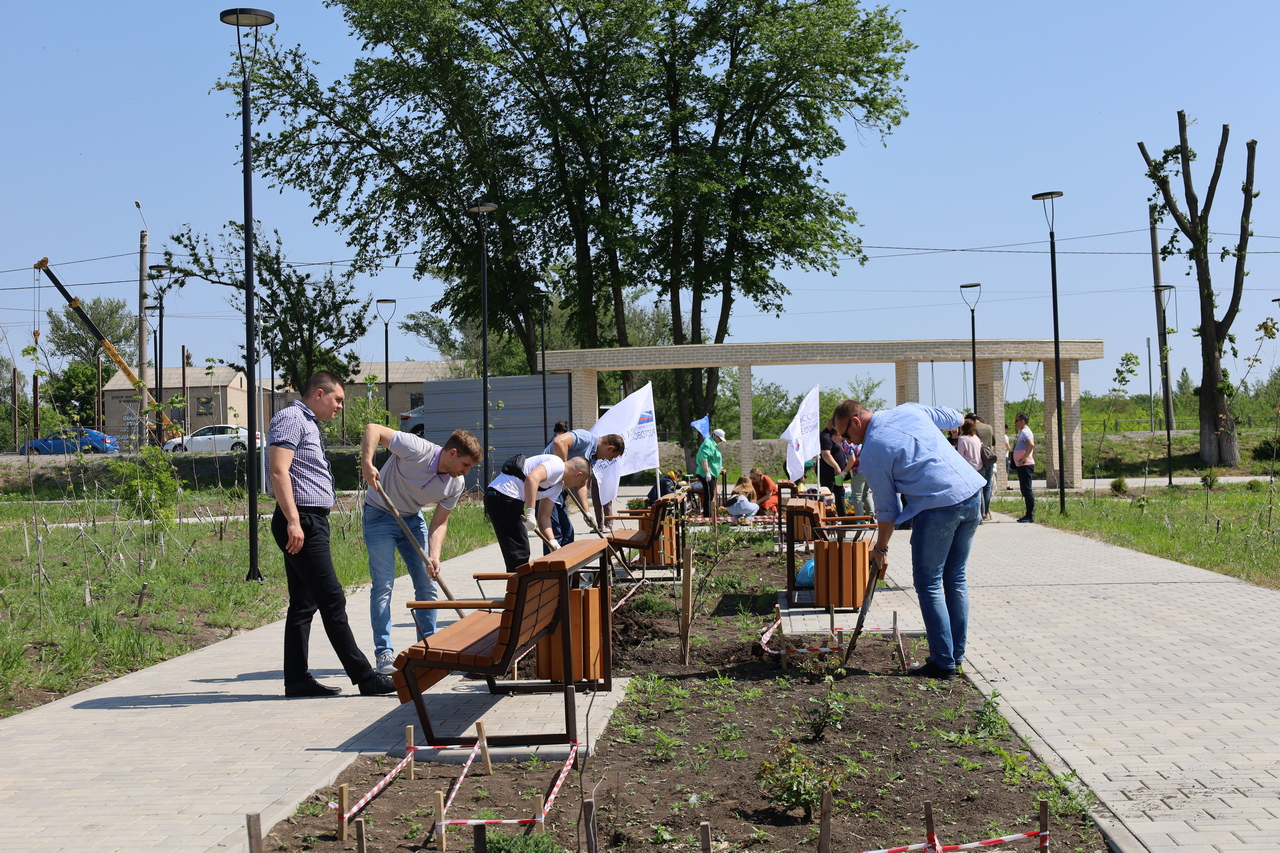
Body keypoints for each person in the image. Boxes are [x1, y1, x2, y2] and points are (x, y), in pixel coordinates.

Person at [832, 399, 986, 680]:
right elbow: (956, 417)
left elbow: (888, 510)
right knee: (955, 578)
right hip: (972, 495)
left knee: (928, 582)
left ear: (856, 421)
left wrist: (880, 548)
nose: (845, 440)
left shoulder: (873, 450)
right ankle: (956, 657)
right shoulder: (908, 410)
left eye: (845, 434)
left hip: (938, 506)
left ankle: (943, 663)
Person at [267, 371, 395, 697]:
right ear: (319, 394)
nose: (340, 406)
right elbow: (279, 470)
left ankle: (296, 680)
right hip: (302, 522)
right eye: (338, 399)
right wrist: (294, 521)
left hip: (310, 520)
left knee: (304, 603)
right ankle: (365, 677)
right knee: (333, 598)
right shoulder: (291, 418)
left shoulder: (308, 422)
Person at [360, 424, 482, 675]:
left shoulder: (454, 485)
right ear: (452, 453)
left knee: (428, 583)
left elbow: (439, 521)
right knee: (383, 584)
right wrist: (367, 463)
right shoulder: (417, 448)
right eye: (465, 464)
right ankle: (384, 653)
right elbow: (373, 429)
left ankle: (430, 648)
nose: (466, 472)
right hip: (380, 513)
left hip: (412, 520)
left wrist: (434, 555)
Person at [485, 454, 592, 570]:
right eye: (582, 482)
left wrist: (552, 541)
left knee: (519, 551)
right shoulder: (557, 465)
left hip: (510, 499)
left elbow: (544, 517)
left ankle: (518, 585)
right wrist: (530, 512)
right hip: (502, 495)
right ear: (577, 475)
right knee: (519, 551)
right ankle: (517, 586)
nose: (579, 485)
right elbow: (532, 478)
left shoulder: (557, 486)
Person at [541, 428, 626, 548]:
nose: (609, 459)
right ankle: (551, 565)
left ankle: (566, 565)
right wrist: (563, 471)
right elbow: (559, 442)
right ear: (609, 448)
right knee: (555, 534)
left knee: (568, 534)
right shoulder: (585, 438)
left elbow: (581, 484)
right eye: (612, 456)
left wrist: (587, 512)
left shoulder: (592, 459)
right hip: (546, 486)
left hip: (558, 489)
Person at [966, 413, 997, 521]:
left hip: (978, 462)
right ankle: (985, 513)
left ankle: (979, 511)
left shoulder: (972, 429)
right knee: (987, 487)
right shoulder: (989, 427)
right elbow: (993, 442)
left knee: (979, 488)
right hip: (988, 460)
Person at [818, 420, 850, 517]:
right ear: (831, 425)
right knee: (828, 496)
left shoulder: (833, 436)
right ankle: (828, 518)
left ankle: (842, 517)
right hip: (829, 473)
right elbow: (825, 454)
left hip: (836, 474)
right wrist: (836, 466)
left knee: (840, 494)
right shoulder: (826, 437)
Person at [695, 428, 726, 517]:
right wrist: (707, 472)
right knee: (709, 493)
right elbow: (704, 459)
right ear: (714, 435)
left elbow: (712, 459)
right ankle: (707, 514)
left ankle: (709, 512)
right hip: (706, 473)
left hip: (712, 472)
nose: (720, 440)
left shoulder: (713, 444)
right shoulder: (708, 444)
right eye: (719, 438)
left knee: (711, 493)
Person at [1013, 412, 1036, 523]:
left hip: (1025, 465)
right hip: (1022, 465)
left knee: (1027, 490)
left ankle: (1030, 515)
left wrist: (1023, 458)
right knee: (1025, 489)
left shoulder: (1025, 431)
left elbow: (1030, 444)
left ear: (1022, 421)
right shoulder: (1023, 432)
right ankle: (1028, 514)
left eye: (1016, 421)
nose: (1015, 423)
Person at [844, 441, 874, 517]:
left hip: (858, 471)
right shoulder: (861, 440)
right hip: (869, 470)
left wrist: (844, 472)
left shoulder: (847, 443)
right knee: (867, 494)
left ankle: (860, 519)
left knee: (857, 496)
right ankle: (871, 517)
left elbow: (852, 460)